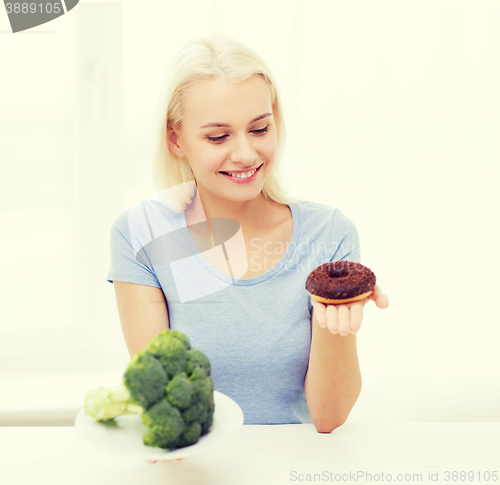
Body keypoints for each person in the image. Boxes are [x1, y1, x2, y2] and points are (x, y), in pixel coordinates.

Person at [107, 33, 389, 451]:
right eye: (218, 137)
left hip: (298, 465)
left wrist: (336, 317)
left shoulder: (328, 234)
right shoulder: (141, 234)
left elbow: (328, 418)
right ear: (175, 139)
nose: (245, 153)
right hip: (192, 468)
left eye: (259, 128)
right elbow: (161, 398)